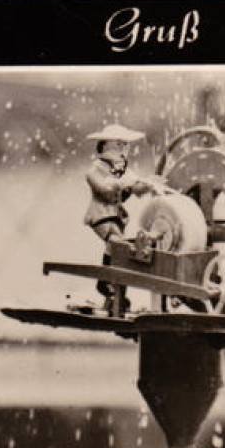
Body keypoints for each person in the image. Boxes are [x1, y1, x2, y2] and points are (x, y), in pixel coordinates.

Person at [83, 124, 161, 315]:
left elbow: (136, 187)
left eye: (125, 146)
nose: (123, 151)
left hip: (117, 216)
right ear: (105, 147)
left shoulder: (123, 170)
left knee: (118, 248)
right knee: (117, 244)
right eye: (118, 146)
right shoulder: (95, 170)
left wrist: (149, 185)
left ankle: (112, 290)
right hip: (101, 216)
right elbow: (104, 188)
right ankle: (107, 284)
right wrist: (122, 183)